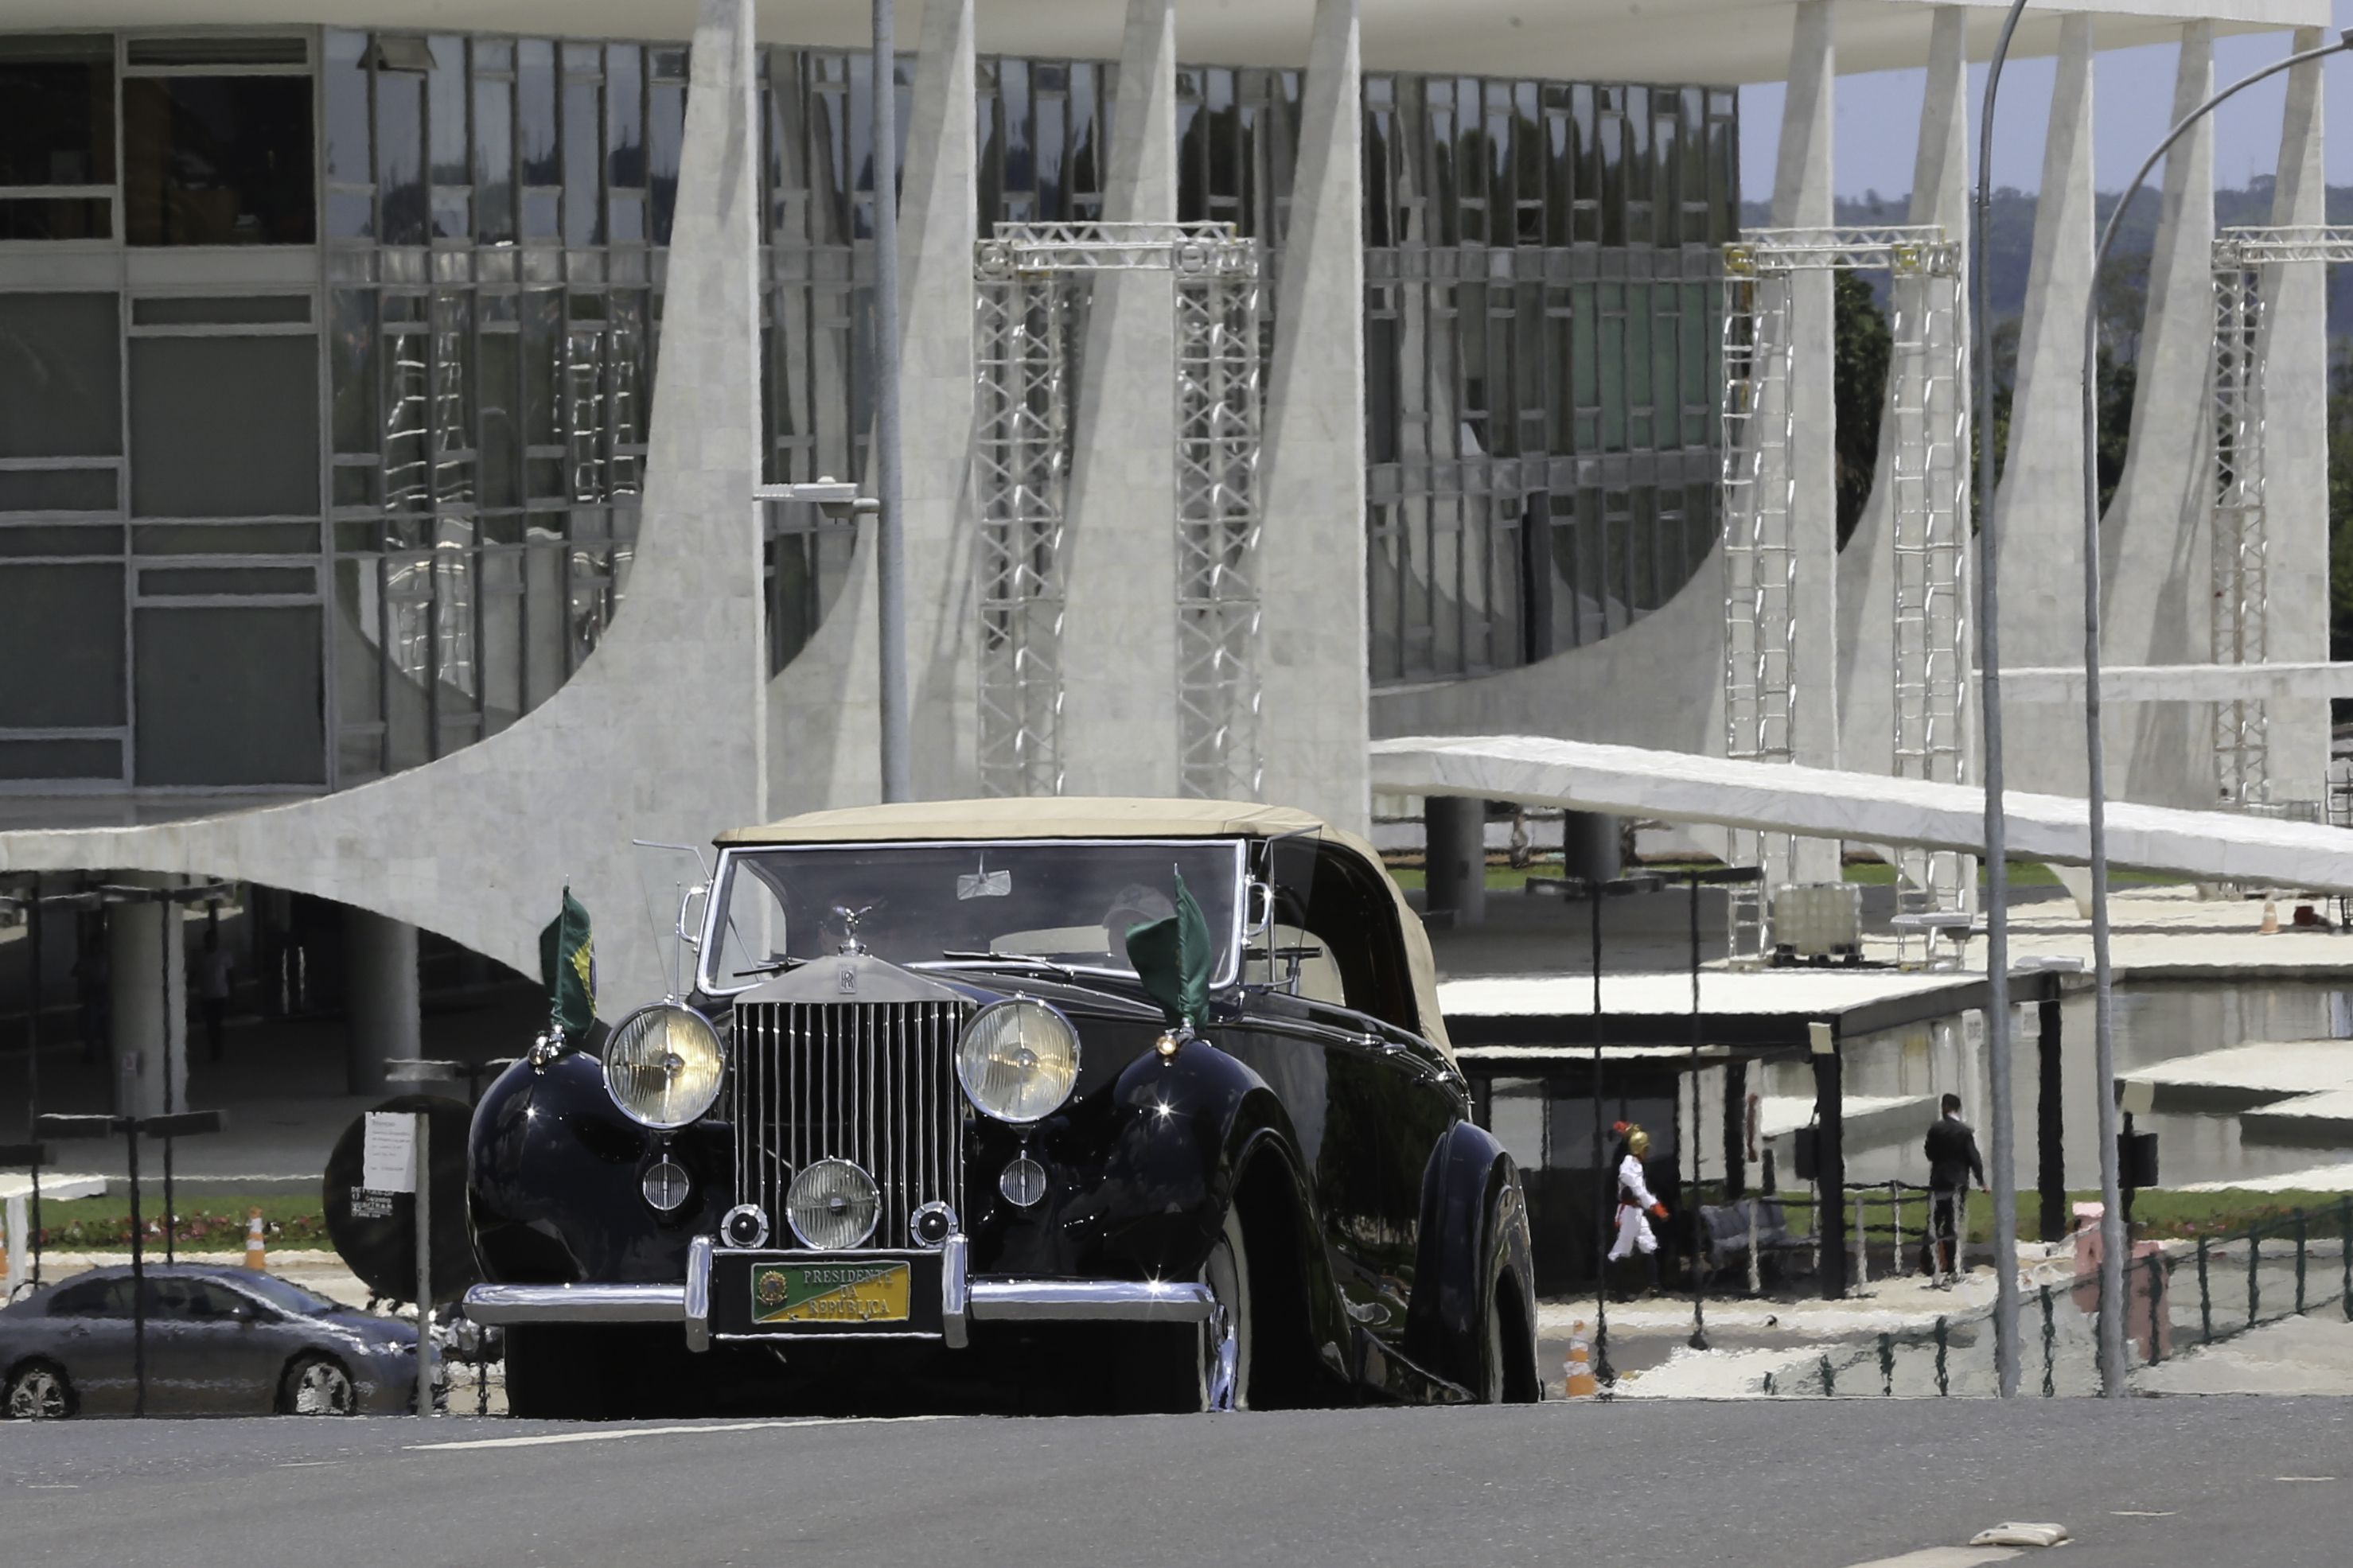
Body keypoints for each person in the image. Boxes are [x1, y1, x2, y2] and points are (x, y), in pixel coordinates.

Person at [1923, 1092, 1988, 1286]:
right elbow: (1973, 1158)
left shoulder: (1935, 1129)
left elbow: (1929, 1152)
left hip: (1938, 1180)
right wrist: (1981, 1181)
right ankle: (1951, 1264)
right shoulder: (1964, 1132)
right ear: (1958, 1108)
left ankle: (1928, 1262)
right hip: (1957, 1182)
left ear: (1944, 1107)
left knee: (1934, 1220)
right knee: (1953, 1222)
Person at [1607, 1123, 1669, 1295]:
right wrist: (1656, 1207)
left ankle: (1654, 1286)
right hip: (1628, 1212)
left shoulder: (1636, 1164)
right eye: (1645, 1149)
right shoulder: (1628, 1166)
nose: (1647, 1152)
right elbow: (1639, 1190)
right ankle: (1615, 1290)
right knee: (1622, 1248)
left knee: (1648, 1243)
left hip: (1637, 1211)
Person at [197, 927, 233, 1063]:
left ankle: (217, 1051)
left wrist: (232, 992)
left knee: (216, 1024)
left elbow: (230, 974)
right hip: (207, 995)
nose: (212, 942)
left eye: (214, 940)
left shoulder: (224, 955)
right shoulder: (201, 957)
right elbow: (195, 973)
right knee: (211, 1025)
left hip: (220, 994)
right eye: (210, 940)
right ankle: (215, 1050)